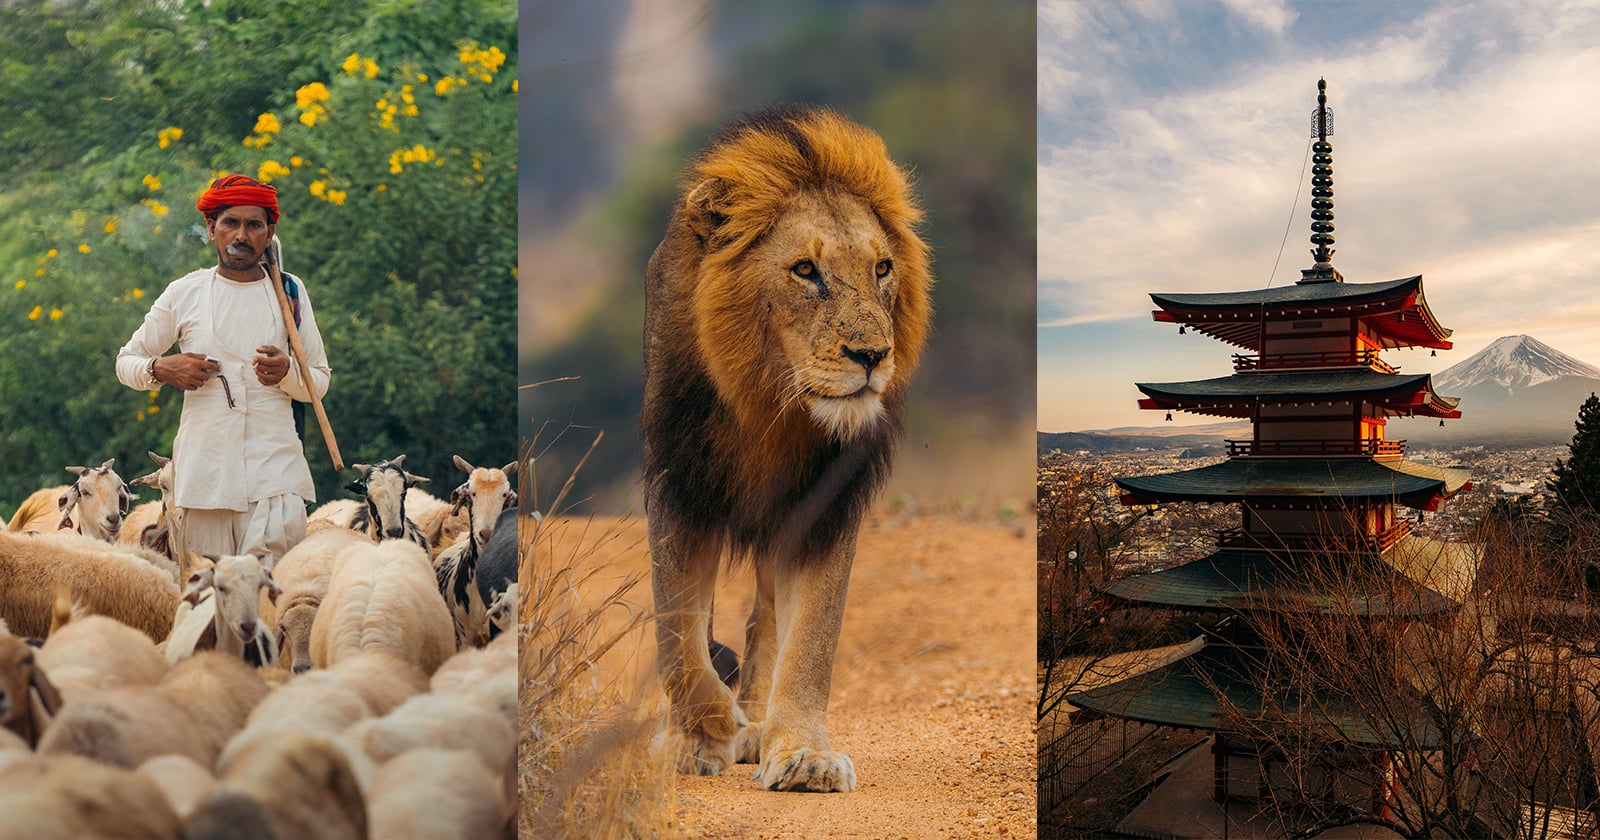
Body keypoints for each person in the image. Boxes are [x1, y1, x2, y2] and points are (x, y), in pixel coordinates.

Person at [116, 173, 330, 565]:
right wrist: (164, 368)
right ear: (211, 228)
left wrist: (286, 373)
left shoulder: (290, 292)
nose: (241, 236)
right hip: (204, 476)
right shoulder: (185, 293)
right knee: (207, 599)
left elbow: (319, 380)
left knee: (271, 601)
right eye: (231, 223)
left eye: (254, 225)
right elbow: (126, 362)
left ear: (269, 232)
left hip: (275, 476)